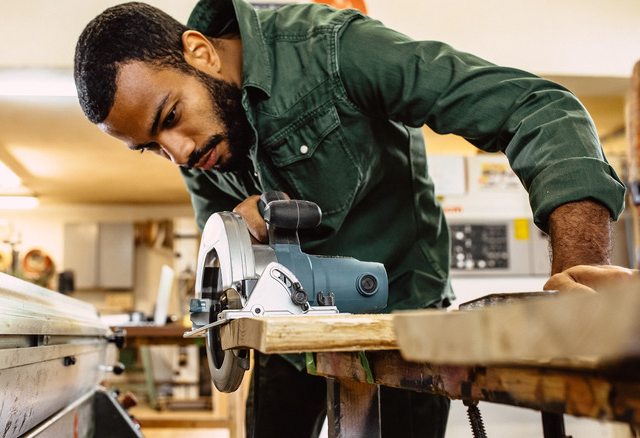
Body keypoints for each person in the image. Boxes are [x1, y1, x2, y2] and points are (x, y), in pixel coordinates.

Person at [73, 1, 626, 436]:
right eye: (152, 146)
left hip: (404, 322)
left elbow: (538, 109)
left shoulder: (334, 51)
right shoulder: (198, 144)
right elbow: (227, 259)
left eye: (171, 118)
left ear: (200, 51)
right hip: (287, 331)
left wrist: (576, 280)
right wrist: (240, 233)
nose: (179, 153)